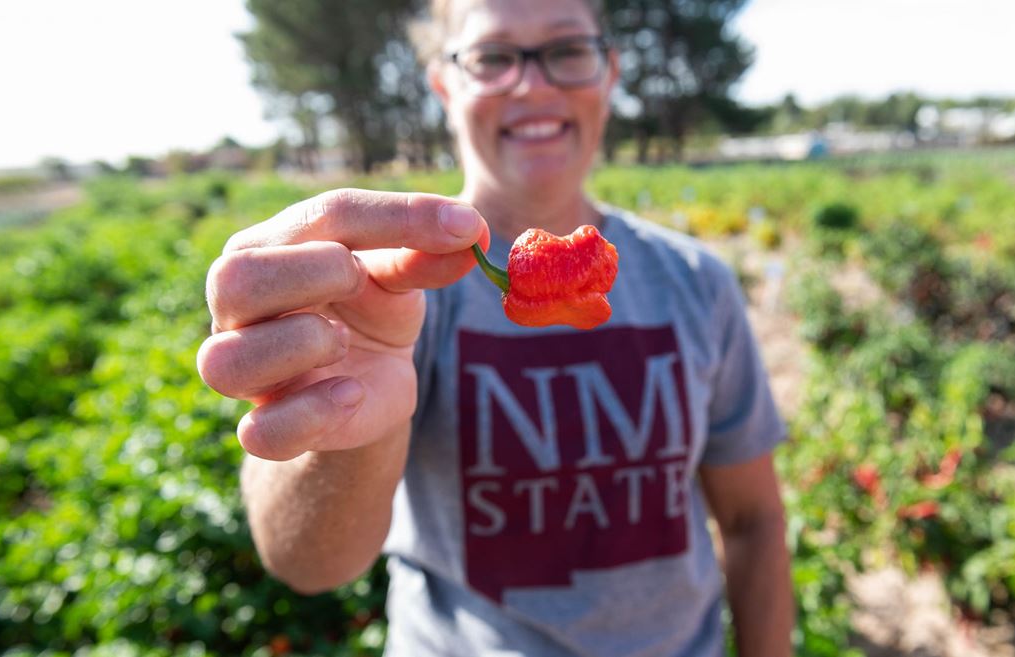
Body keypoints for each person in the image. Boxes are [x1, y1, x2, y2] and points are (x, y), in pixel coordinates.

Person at [196, 0, 794, 654]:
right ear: (444, 83)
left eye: (567, 51)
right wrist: (339, 413)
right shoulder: (383, 295)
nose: (533, 85)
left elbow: (753, 517)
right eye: (494, 57)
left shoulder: (697, 281)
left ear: (610, 71)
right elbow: (310, 564)